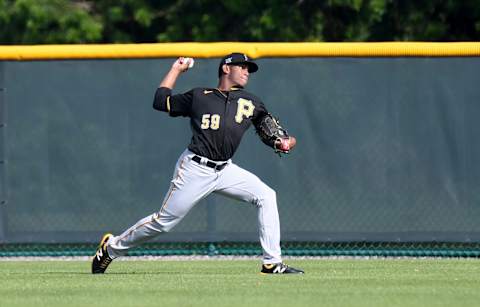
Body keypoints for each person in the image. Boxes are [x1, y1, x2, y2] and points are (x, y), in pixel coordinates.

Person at [91, 52, 304, 274]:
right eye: (242, 66)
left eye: (249, 69)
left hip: (225, 170)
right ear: (226, 68)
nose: (246, 71)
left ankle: (272, 262)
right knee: (163, 222)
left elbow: (272, 130)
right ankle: (111, 248)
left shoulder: (251, 102)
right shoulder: (200, 96)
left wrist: (284, 141)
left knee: (266, 196)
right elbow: (160, 102)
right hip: (195, 168)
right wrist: (176, 70)